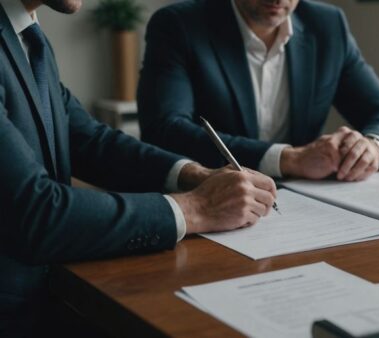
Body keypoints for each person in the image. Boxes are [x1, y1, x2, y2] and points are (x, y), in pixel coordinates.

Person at [0, 0, 277, 335]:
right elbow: (37, 213)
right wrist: (198, 208)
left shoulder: (24, 32)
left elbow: (90, 140)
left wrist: (194, 175)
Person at [137, 0, 379, 182]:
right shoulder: (178, 24)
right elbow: (165, 129)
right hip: (209, 195)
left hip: (308, 201)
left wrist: (373, 146)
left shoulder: (328, 25)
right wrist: (288, 159)